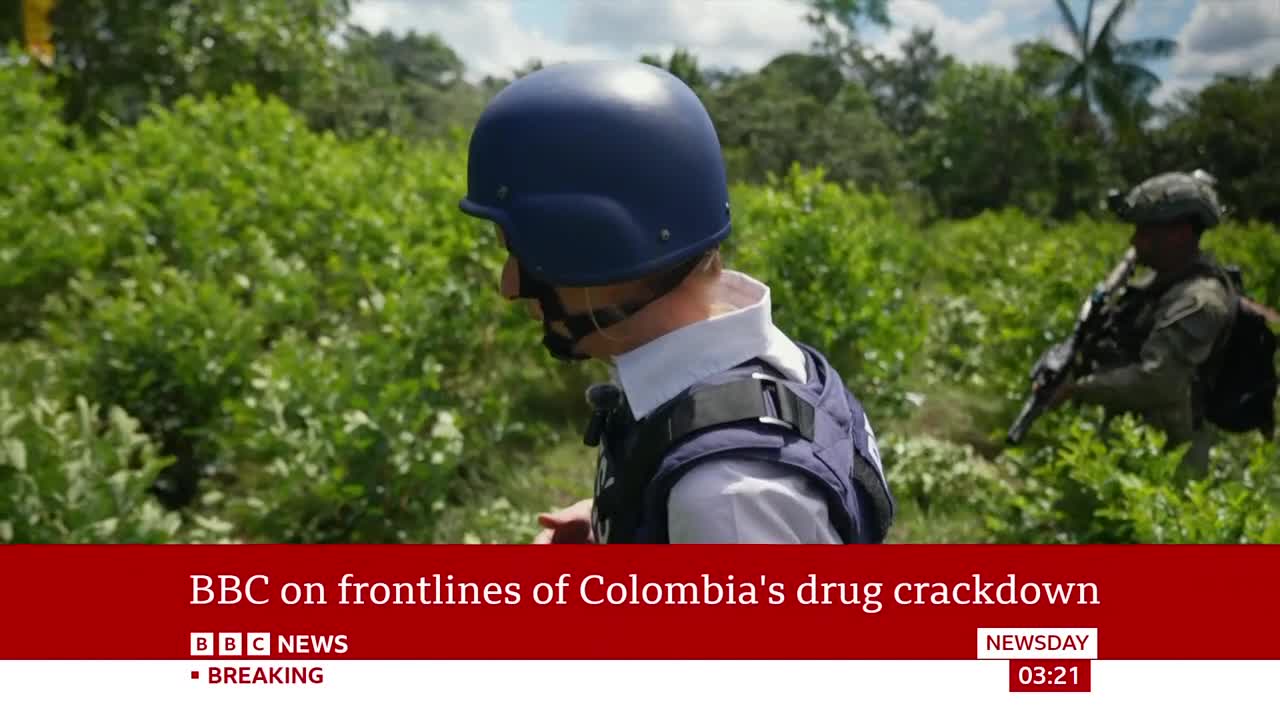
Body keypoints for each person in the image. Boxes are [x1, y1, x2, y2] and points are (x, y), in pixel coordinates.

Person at [457, 60, 894, 544]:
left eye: (522, 253)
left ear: (597, 243)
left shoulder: (724, 501)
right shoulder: (766, 365)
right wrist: (626, 523)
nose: (509, 285)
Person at [1050, 170, 1236, 476]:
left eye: (1146, 231)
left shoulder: (1198, 301)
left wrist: (1077, 389)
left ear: (1180, 235)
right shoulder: (1157, 285)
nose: (1135, 240)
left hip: (1171, 463)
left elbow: (1157, 381)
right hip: (1138, 447)